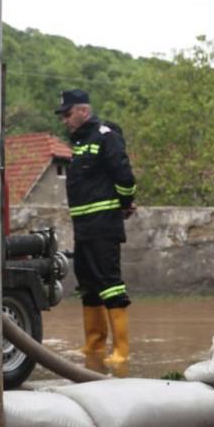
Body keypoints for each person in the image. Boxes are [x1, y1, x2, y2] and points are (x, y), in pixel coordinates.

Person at [56, 89, 138, 370]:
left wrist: (125, 203)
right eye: (63, 115)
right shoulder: (80, 144)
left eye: (68, 114)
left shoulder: (105, 136)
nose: (65, 120)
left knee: (111, 284)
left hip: (104, 225)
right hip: (84, 229)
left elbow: (124, 175)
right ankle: (94, 345)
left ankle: (122, 352)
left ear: (83, 111)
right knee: (88, 286)